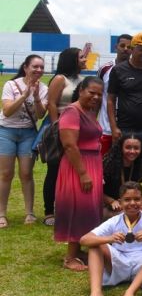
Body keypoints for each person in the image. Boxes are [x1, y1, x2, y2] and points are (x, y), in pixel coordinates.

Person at [55, 77, 105, 272]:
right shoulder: (72, 111)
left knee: (89, 209)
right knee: (78, 208)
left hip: (91, 162)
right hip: (78, 165)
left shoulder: (90, 111)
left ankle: (78, 250)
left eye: (99, 94)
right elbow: (69, 145)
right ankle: (69, 257)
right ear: (81, 90)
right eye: (91, 92)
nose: (96, 97)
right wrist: (83, 173)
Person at [0, 54, 48, 228]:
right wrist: (23, 95)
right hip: (6, 131)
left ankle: (30, 213)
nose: (39, 70)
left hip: (28, 133)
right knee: (6, 174)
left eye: (41, 67)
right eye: (35, 66)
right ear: (26, 67)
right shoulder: (11, 85)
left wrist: (35, 97)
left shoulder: (43, 88)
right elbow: (6, 111)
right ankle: (2, 214)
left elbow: (41, 114)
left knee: (27, 174)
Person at [42, 47, 85, 227]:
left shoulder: (82, 80)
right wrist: (56, 126)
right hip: (60, 128)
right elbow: (51, 103)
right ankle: (48, 212)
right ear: (72, 60)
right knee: (54, 170)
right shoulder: (60, 79)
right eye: (81, 57)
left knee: (71, 170)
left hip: (78, 129)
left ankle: (67, 207)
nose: (85, 59)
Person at [97, 34, 132, 156]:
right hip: (106, 127)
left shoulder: (138, 70)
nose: (126, 49)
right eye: (122, 46)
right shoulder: (104, 69)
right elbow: (98, 97)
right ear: (116, 47)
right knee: (103, 164)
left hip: (129, 128)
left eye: (129, 46)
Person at [102, 134, 142, 219]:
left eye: (136, 148)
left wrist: (141, 203)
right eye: (128, 147)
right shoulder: (108, 165)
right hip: (109, 206)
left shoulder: (140, 165)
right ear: (121, 148)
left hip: (129, 204)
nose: (132, 151)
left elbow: (140, 188)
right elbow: (97, 191)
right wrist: (111, 201)